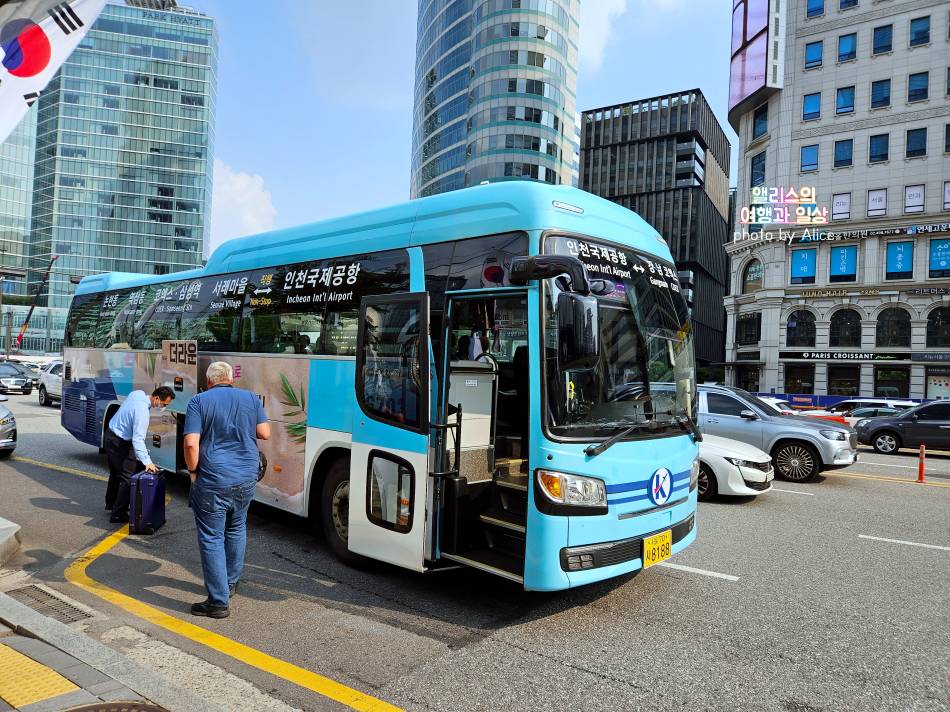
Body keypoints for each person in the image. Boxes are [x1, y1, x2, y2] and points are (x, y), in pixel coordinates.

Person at [183, 362, 270, 619]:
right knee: (236, 528)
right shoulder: (250, 398)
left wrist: (192, 472)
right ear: (231, 379)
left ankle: (218, 602)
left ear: (209, 381)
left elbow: (190, 444)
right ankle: (230, 583)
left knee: (211, 536)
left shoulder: (198, 401)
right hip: (246, 478)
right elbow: (264, 432)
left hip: (213, 480)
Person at [105, 386, 175, 523]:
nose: (163, 407)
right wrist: (147, 462)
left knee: (115, 473)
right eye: (164, 404)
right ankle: (118, 514)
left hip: (110, 435)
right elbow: (138, 439)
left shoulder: (138, 394)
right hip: (120, 443)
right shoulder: (142, 412)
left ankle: (111, 504)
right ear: (156, 398)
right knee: (128, 478)